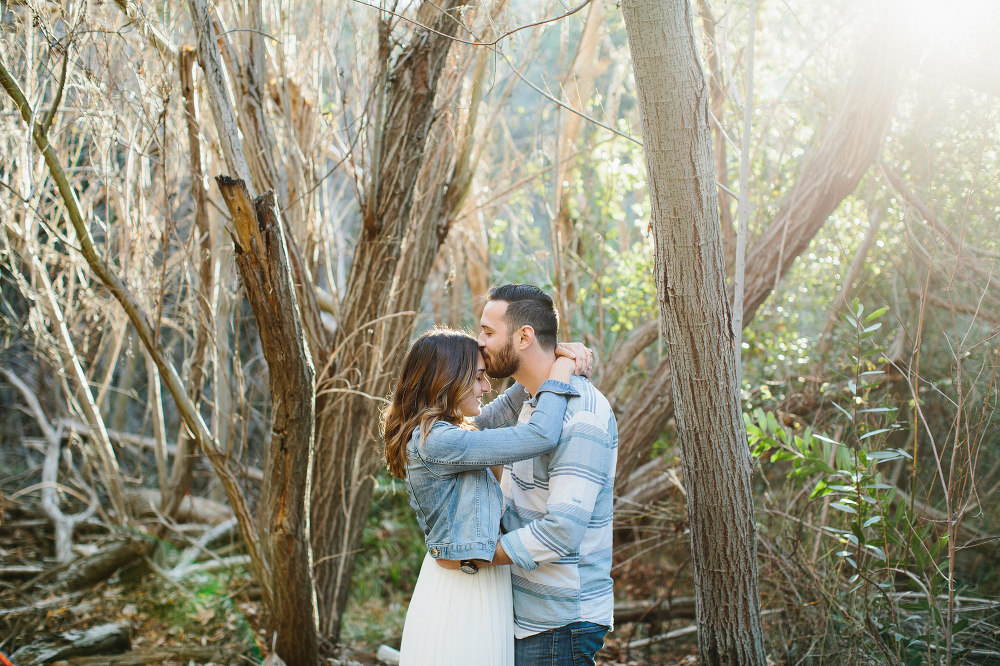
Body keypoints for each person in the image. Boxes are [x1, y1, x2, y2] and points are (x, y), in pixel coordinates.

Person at [382, 327, 588, 665]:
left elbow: (507, 405)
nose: (486, 386)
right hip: (462, 591)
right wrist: (563, 368)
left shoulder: (449, 431)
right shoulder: (437, 441)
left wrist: (548, 359)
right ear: (447, 380)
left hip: (475, 577)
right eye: (478, 377)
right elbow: (540, 436)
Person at [438, 284, 618, 666]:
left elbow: (561, 532)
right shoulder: (533, 400)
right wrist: (564, 357)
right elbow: (473, 430)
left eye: (487, 332)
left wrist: (474, 557)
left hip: (559, 621)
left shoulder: (580, 415)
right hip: (526, 613)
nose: (478, 343)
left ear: (523, 337)